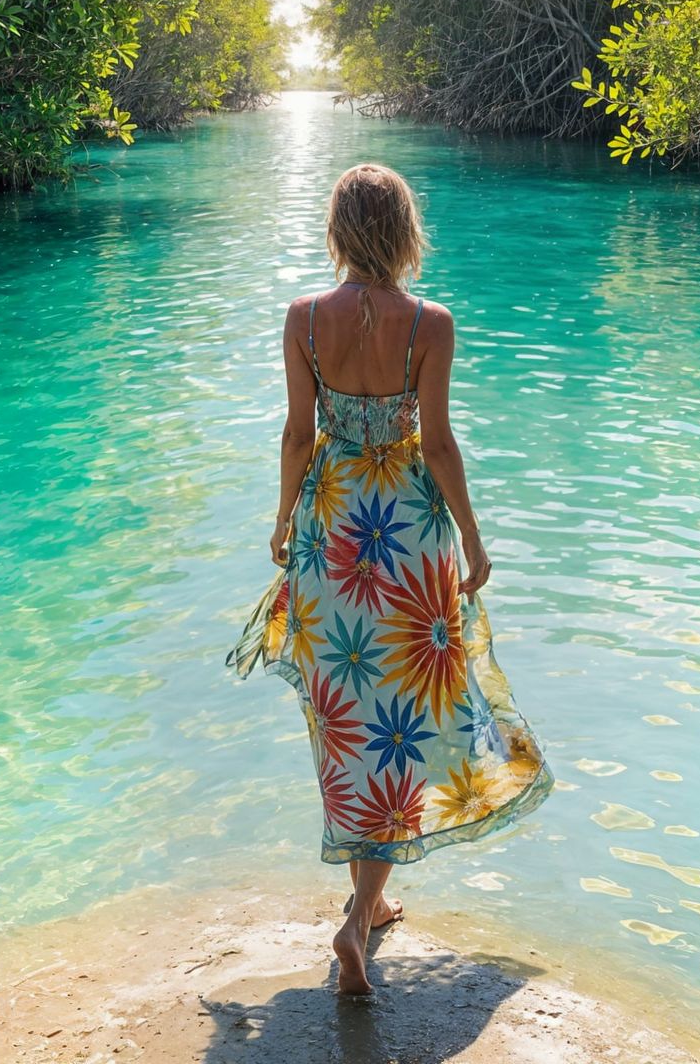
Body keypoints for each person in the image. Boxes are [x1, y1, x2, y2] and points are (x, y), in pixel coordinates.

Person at [227, 162, 553, 996]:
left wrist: (278, 521)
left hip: (332, 529)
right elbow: (437, 444)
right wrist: (474, 539)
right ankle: (358, 916)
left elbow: (299, 436)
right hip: (406, 533)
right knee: (404, 716)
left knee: (347, 721)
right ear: (406, 232)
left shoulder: (302, 320)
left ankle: (364, 907)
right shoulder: (429, 324)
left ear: (338, 232)